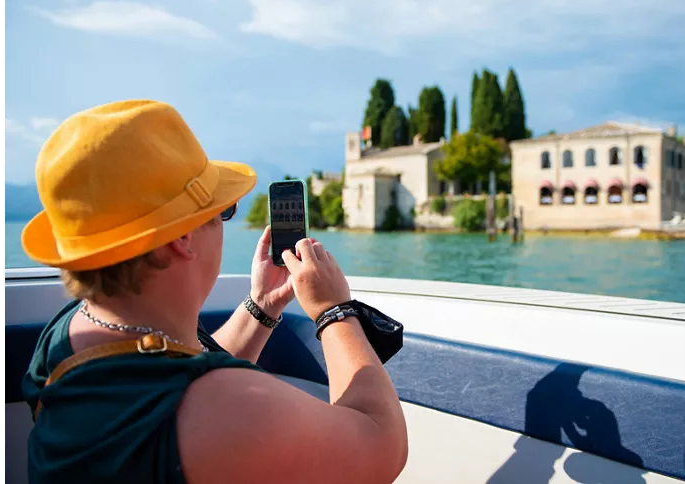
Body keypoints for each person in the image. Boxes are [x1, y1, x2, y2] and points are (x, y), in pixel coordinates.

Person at [20, 100, 409, 483]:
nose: (225, 224)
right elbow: (382, 443)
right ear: (184, 237)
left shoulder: (65, 337)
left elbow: (182, 371)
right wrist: (333, 310)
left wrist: (262, 306)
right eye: (223, 212)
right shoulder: (229, 411)